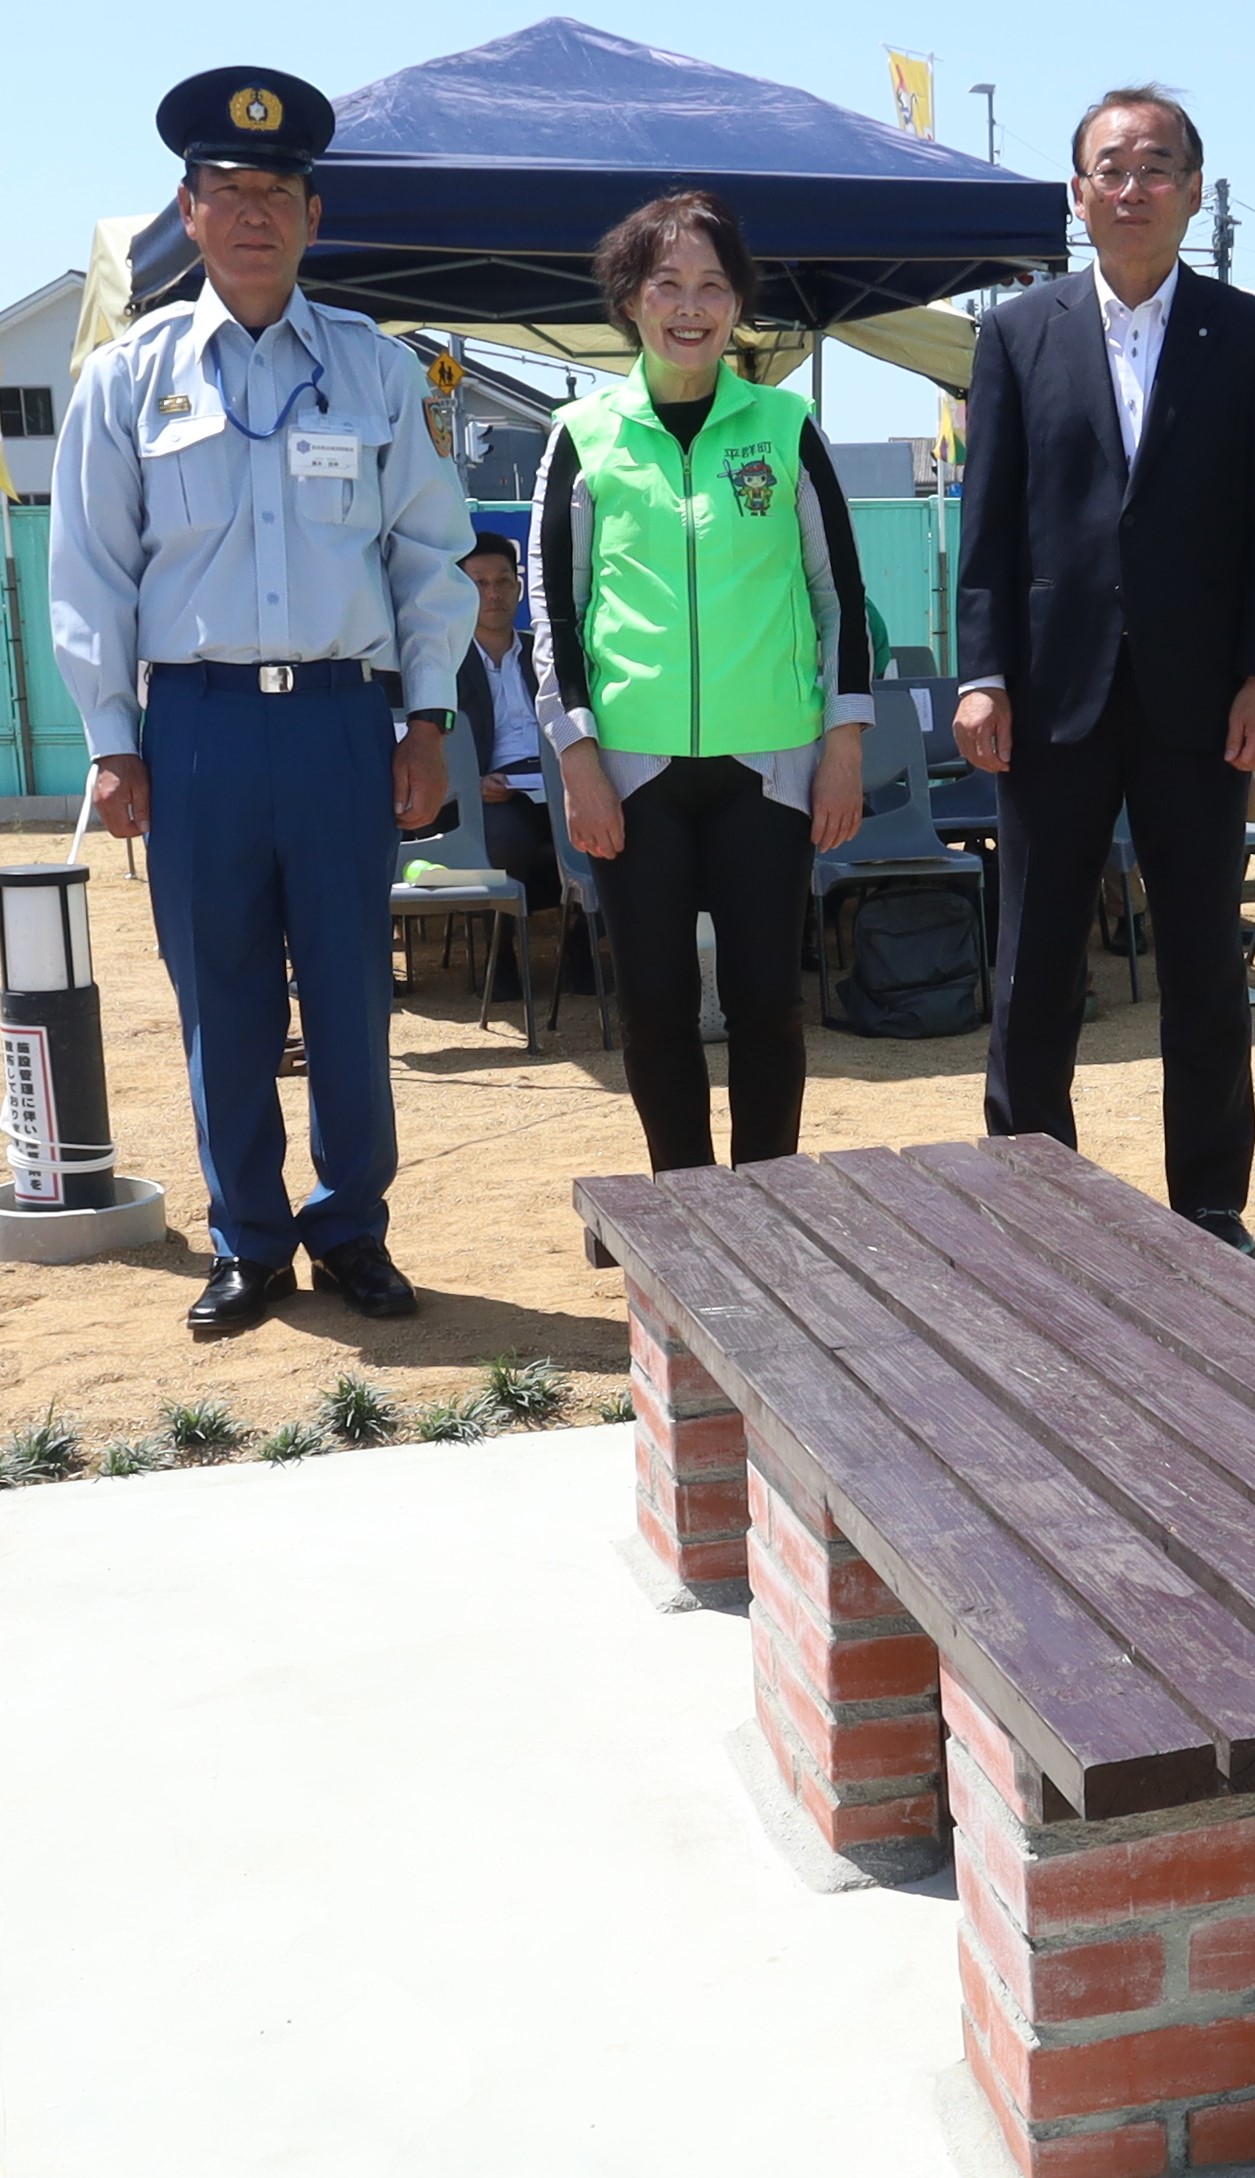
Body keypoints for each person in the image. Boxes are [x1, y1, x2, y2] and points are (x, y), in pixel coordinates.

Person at [50, 68, 475, 1338]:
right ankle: (249, 1239)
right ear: (187, 212)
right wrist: (112, 742)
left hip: (343, 721)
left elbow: (429, 556)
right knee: (221, 995)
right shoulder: (129, 379)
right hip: (197, 730)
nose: (251, 213)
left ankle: (351, 1228)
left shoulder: (375, 371)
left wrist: (428, 717)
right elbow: (91, 570)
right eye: (226, 191)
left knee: (350, 992)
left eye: (276, 192)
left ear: (312, 214)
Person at [954, 87, 1255, 1251]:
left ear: (1194, 190)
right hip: (1049, 692)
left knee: (1202, 952)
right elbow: (987, 522)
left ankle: (1210, 1199)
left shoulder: (1253, 336)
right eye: (1111, 168)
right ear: (1078, 193)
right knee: (1035, 952)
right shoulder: (1016, 333)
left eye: (1157, 166)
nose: (1133, 187)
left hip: (1203, 699)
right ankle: (1028, 1191)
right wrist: (981, 671)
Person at [531, 189, 872, 1172]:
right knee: (653, 1005)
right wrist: (577, 757)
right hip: (632, 773)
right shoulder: (583, 433)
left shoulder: (786, 425)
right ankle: (679, 1208)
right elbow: (555, 611)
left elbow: (841, 594)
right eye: (667, 283)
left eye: (713, 285)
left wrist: (844, 744)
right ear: (629, 300)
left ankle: (767, 1204)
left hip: (771, 766)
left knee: (769, 1002)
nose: (691, 306)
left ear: (738, 305)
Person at [453, 530, 582, 1002]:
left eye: (504, 581)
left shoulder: (544, 656)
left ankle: (582, 949)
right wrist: (471, 784)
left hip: (558, 780)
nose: (494, 594)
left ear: (519, 587)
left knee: (608, 827)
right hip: (492, 792)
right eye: (480, 583)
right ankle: (499, 956)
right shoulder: (445, 663)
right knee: (508, 839)